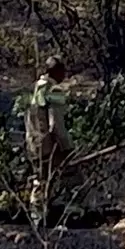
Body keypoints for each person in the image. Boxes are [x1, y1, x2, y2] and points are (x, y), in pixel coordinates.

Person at [25, 56, 76, 218]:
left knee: (40, 180)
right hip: (49, 143)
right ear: (58, 71)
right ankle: (73, 214)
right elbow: (56, 125)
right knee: (74, 177)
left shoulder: (36, 89)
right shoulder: (54, 90)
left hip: (34, 143)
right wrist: (67, 147)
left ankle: (37, 216)